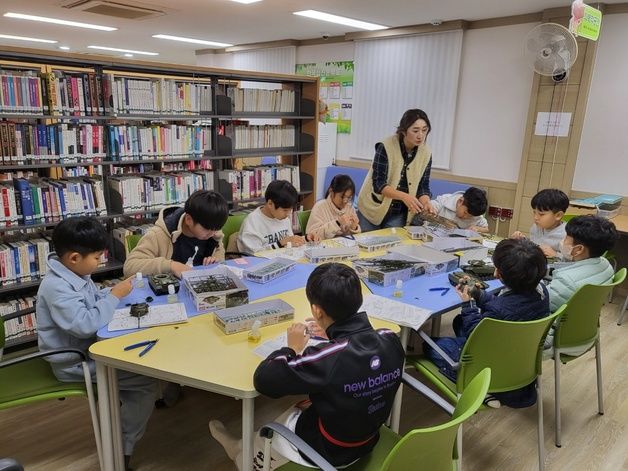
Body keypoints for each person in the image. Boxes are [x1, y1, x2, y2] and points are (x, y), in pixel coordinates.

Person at [209, 263, 405, 470]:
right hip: (368, 436)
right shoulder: (391, 339)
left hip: (331, 450)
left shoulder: (328, 357)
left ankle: (241, 456)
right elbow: (363, 353)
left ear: (317, 311)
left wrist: (291, 348)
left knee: (275, 428)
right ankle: (241, 446)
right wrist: (333, 333)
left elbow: (265, 379)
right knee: (302, 406)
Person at [37, 216, 158, 470]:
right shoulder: (57, 287)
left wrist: (110, 292)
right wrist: (114, 296)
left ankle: (117, 426)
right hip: (74, 361)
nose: (100, 261)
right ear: (74, 258)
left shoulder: (71, 272)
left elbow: (89, 300)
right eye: (96, 257)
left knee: (137, 367)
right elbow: (83, 325)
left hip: (89, 350)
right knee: (145, 381)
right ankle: (121, 447)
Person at [424, 238, 549, 408]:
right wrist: (479, 295)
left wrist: (468, 305)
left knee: (429, 345)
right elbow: (507, 306)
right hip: (517, 356)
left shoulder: (498, 310)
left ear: (498, 275)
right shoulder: (542, 290)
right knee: (459, 321)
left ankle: (482, 388)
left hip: (490, 365)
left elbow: (476, 333)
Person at [544, 215, 618, 352]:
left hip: (555, 339)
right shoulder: (605, 265)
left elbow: (539, 304)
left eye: (566, 237)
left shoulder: (566, 281)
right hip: (586, 332)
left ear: (578, 250)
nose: (562, 241)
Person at [357, 108, 436, 231]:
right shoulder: (386, 146)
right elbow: (379, 184)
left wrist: (426, 202)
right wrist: (405, 197)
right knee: (364, 245)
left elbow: (423, 186)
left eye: (424, 130)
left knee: (391, 247)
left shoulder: (426, 153)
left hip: (399, 213)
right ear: (404, 131)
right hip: (372, 207)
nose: (420, 135)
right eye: (415, 130)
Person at [124, 190, 228, 278]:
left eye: (217, 228)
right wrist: (170, 266)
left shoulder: (212, 228)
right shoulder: (159, 234)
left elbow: (219, 249)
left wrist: (216, 258)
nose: (213, 233)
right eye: (207, 229)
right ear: (188, 220)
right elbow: (130, 267)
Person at [237, 180, 318, 254]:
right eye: (285, 210)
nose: (288, 214)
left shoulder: (283, 218)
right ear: (270, 204)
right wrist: (280, 243)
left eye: (290, 210)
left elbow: (290, 242)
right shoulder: (252, 222)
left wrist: (307, 239)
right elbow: (255, 255)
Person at [511, 188, 570, 257]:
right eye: (534, 212)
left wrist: (556, 255)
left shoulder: (567, 235)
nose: (535, 217)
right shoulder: (536, 227)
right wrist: (522, 241)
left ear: (558, 215)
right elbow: (535, 245)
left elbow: (573, 261)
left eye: (541, 214)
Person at [306, 174, 361, 240]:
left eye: (349, 197)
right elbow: (312, 235)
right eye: (342, 197)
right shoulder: (320, 207)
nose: (345, 201)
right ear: (331, 192)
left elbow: (354, 238)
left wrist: (354, 227)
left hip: (344, 247)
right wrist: (337, 223)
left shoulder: (350, 208)